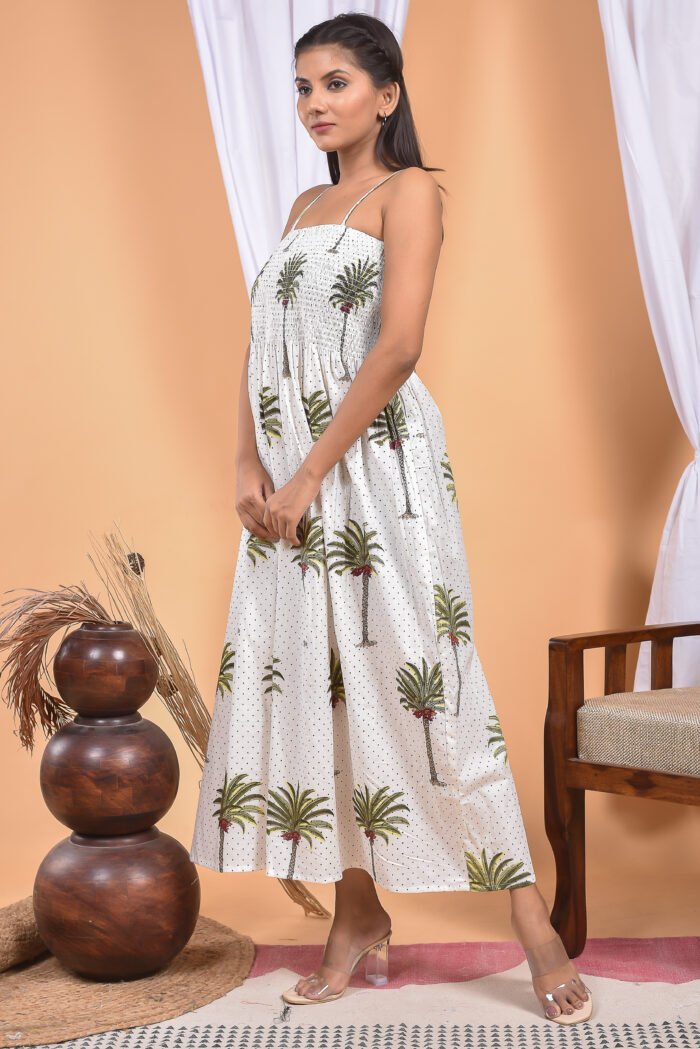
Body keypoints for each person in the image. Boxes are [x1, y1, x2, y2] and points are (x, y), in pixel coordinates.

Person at [189, 11, 593, 1026]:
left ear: (387, 92)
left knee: (423, 677)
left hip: (373, 474)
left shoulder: (408, 193)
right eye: (300, 88)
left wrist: (309, 473)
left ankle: (531, 922)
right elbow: (261, 350)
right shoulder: (295, 205)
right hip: (285, 486)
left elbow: (397, 347)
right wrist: (248, 461)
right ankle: (355, 913)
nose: (313, 105)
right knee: (317, 685)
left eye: (332, 84)